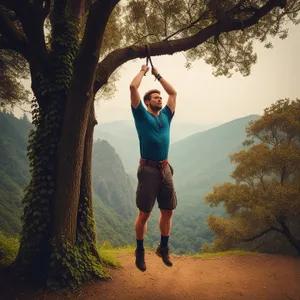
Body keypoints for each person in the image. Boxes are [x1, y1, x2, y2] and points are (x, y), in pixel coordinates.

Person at [129, 64, 177, 272]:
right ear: (147, 102)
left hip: (165, 169)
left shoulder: (166, 116)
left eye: (160, 97)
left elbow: (173, 92)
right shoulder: (141, 115)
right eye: (155, 97)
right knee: (144, 214)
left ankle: (163, 248)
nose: (160, 99)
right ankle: (139, 252)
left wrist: (158, 75)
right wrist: (143, 71)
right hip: (147, 171)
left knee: (168, 211)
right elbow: (133, 87)